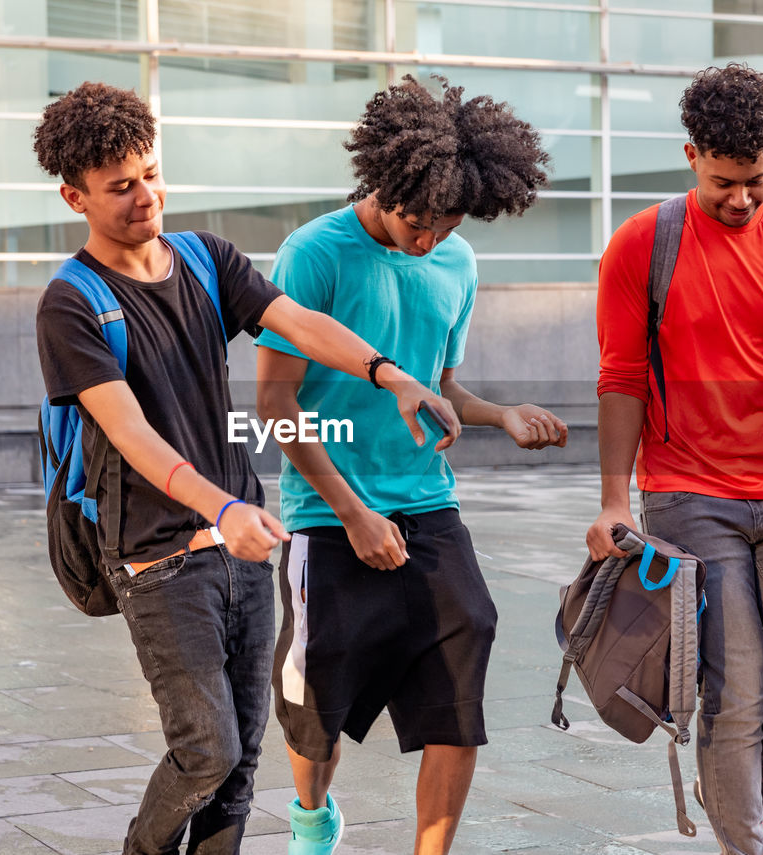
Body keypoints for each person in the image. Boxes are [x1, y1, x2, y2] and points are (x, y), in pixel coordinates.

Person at [33, 81, 459, 855]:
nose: (145, 196)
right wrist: (219, 510)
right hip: (159, 558)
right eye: (120, 187)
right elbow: (132, 436)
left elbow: (294, 321)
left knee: (240, 767)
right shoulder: (72, 302)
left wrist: (386, 371)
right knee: (207, 750)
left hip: (243, 551)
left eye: (152, 173)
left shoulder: (204, 259)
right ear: (75, 196)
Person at [255, 75, 568, 855]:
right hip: (327, 511)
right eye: (417, 220)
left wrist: (500, 414)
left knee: (466, 659)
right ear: (384, 182)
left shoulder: (455, 263)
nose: (428, 238)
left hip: (428, 501)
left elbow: (442, 383)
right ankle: (311, 816)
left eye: (447, 224)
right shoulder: (315, 254)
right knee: (315, 698)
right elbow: (274, 404)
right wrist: (354, 513)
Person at [586, 64, 763, 855]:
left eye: (757, 181)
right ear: (691, 154)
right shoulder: (643, 243)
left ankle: (732, 784)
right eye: (724, 183)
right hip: (686, 493)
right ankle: (745, 838)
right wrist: (612, 500)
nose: (741, 199)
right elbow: (620, 377)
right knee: (732, 691)